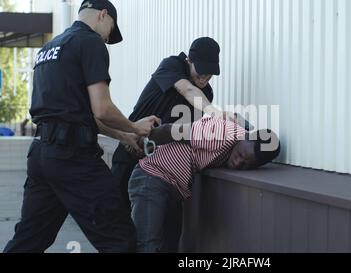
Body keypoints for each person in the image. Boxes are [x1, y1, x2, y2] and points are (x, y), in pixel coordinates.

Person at [3, 0, 159, 253]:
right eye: (111, 31)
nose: (108, 39)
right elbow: (102, 109)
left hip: (42, 154)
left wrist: (122, 135)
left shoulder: (50, 48)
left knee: (29, 240)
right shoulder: (90, 42)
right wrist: (136, 127)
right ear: (103, 15)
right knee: (119, 237)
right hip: (73, 158)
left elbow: (80, 115)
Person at [111, 37, 246, 210]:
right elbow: (187, 89)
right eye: (200, 73)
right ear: (189, 61)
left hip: (157, 164)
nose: (204, 79)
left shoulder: (206, 94)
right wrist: (215, 112)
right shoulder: (172, 65)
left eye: (209, 75)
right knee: (115, 211)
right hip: (131, 144)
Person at [126, 116, 281, 252]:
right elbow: (172, 131)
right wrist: (140, 140)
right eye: (241, 155)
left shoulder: (238, 144)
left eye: (247, 164)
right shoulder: (222, 132)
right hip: (152, 177)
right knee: (147, 245)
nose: (239, 162)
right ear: (245, 136)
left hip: (173, 189)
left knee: (169, 246)